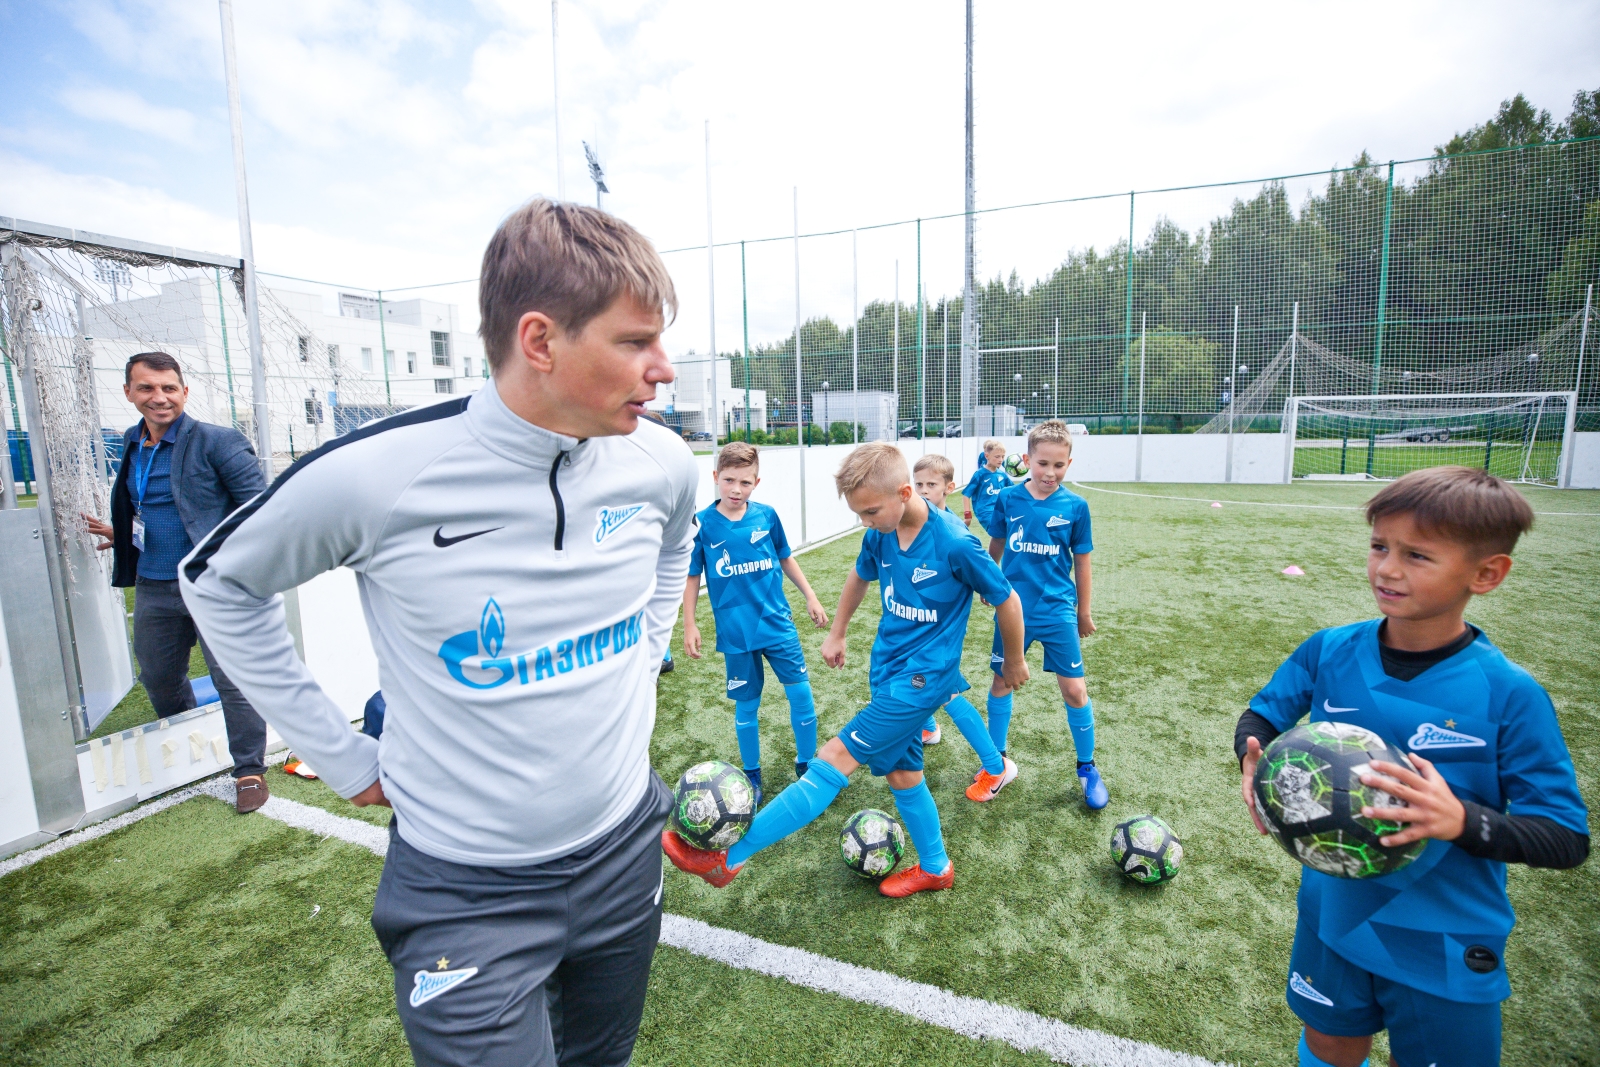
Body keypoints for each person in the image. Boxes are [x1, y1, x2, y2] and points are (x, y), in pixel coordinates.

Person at [181, 199, 697, 1067]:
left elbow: (676, 544)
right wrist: (341, 756)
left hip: (623, 847)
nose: (664, 369)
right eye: (635, 341)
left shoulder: (662, 462)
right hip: (464, 890)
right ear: (541, 341)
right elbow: (218, 583)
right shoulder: (380, 474)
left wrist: (645, 649)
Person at [1236, 467, 1589, 1067]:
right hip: (1331, 912)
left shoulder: (1507, 694)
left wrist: (1460, 820)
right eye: (1379, 546)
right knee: (1328, 1043)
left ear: (1487, 574)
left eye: (1416, 555)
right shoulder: (1331, 649)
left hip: (1442, 937)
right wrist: (1252, 756)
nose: (1386, 569)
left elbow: (1566, 836)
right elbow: (1263, 715)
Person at [663, 443, 1028, 898]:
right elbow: (860, 575)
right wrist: (837, 632)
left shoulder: (955, 543)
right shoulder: (881, 532)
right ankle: (936, 867)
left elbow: (1007, 599)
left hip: (921, 682)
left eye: (871, 511)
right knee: (904, 776)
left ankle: (728, 859)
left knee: (831, 760)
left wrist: (1014, 659)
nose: (865, 522)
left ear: (904, 492)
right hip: (888, 672)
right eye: (858, 513)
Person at [84, 351, 271, 814]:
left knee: (232, 680)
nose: (159, 397)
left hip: (212, 585)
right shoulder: (132, 442)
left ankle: (249, 770)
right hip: (153, 583)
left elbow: (262, 510)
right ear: (129, 393)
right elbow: (155, 508)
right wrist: (122, 534)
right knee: (158, 676)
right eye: (146, 388)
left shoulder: (218, 441)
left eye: (169, 388)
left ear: (184, 393)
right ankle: (189, 738)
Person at [682, 442, 828, 807]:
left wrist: (810, 596)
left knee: (802, 696)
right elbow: (691, 577)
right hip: (737, 634)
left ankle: (807, 764)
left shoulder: (767, 516)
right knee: (746, 707)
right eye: (729, 480)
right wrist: (689, 624)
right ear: (716, 477)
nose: (736, 489)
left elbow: (786, 558)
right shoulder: (702, 524)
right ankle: (752, 773)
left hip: (778, 626)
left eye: (745, 482)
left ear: (756, 482)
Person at [981, 419, 1106, 810]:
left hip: (1057, 611)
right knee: (1001, 683)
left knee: (1074, 690)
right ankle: (995, 763)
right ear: (1027, 460)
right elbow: (997, 542)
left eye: (1059, 465)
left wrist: (1083, 611)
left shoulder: (1075, 507)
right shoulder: (1009, 498)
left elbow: (1082, 564)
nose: (1050, 473)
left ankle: (1087, 768)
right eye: (1042, 464)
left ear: (1069, 462)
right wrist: (988, 581)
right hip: (1012, 610)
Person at [909, 454, 1018, 802]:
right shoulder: (916, 522)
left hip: (940, 632)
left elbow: (991, 582)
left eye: (932, 485)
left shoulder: (954, 532)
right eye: (919, 484)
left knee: (947, 692)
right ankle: (927, 729)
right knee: (915, 683)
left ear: (949, 488)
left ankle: (997, 766)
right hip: (917, 627)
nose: (924, 491)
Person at [961, 438, 1011, 562]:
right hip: (985, 512)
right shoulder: (980, 474)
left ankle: (992, 564)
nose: (1000, 460)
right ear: (987, 456)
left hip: (1000, 511)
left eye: (1003, 456)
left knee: (1009, 534)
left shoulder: (1002, 475)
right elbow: (966, 494)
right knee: (999, 534)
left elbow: (1013, 490)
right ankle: (990, 564)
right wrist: (968, 515)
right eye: (997, 456)